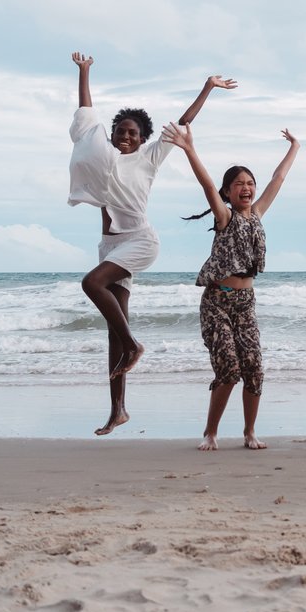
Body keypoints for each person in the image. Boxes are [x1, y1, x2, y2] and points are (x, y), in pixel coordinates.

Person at [67, 52, 234, 436]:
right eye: (120, 132)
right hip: (109, 246)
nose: (125, 136)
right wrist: (85, 72)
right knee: (113, 329)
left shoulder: (149, 158)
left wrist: (207, 88)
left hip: (140, 241)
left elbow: (184, 123)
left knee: (91, 285)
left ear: (142, 139)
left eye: (132, 133)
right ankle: (118, 410)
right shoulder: (102, 161)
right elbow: (86, 113)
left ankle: (134, 345)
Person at [165, 124, 299, 451]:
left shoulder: (257, 214)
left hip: (245, 302)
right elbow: (207, 184)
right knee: (228, 366)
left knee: (253, 367)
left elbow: (278, 179)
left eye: (250, 183)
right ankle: (210, 432)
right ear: (228, 192)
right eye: (239, 184)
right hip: (216, 303)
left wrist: (295, 146)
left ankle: (249, 432)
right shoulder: (225, 217)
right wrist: (189, 148)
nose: (247, 188)